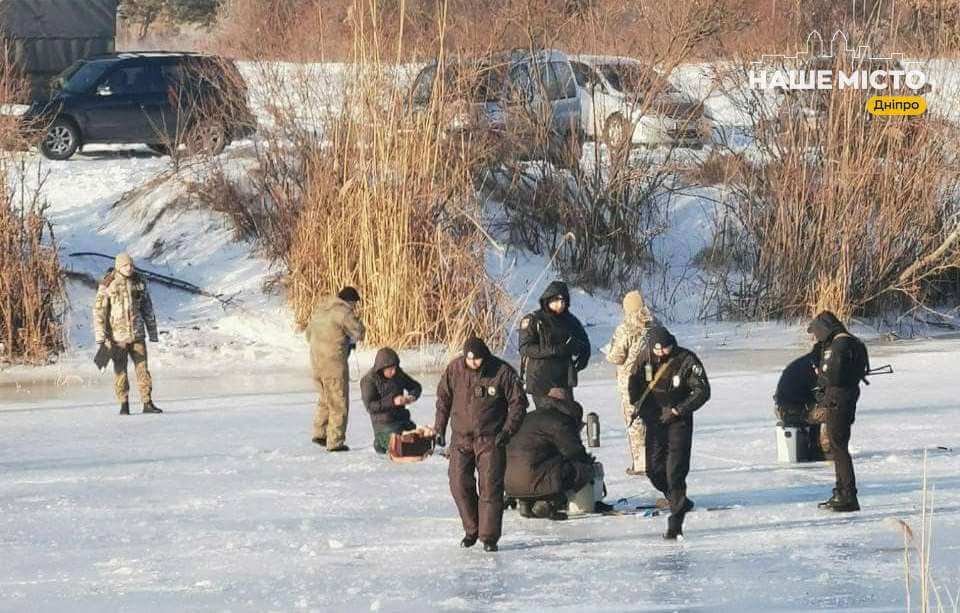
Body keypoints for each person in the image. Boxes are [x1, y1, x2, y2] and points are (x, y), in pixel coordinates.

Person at [434, 336, 527, 552]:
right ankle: (472, 530)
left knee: (490, 488)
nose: (473, 363)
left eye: (477, 359)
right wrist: (439, 428)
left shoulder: (502, 371)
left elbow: (519, 403)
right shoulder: (455, 369)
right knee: (458, 483)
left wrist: (507, 431)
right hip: (461, 438)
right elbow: (443, 399)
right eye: (469, 359)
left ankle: (489, 537)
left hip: (491, 438)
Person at [629, 326, 710, 540]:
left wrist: (678, 410)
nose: (662, 353)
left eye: (665, 349)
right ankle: (677, 498)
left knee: (675, 469)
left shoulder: (686, 359)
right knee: (653, 469)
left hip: (678, 421)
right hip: (654, 420)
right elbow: (634, 387)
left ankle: (676, 518)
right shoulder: (644, 359)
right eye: (658, 350)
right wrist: (644, 409)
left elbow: (703, 390)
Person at [505, 387, 608, 519]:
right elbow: (575, 452)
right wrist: (589, 463)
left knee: (540, 463)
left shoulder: (529, 417)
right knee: (582, 469)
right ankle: (551, 502)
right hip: (533, 479)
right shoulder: (560, 421)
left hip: (510, 483)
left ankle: (526, 502)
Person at [808, 311, 868, 513]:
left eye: (816, 334)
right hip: (847, 396)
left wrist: (821, 382)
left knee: (839, 448)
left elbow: (832, 376)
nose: (816, 338)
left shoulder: (839, 346)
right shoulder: (853, 342)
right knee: (837, 446)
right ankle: (841, 492)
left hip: (838, 400)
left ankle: (847, 495)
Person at [93, 252, 162, 415]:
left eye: (131, 265)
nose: (129, 268)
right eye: (125, 266)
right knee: (120, 371)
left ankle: (147, 402)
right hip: (118, 338)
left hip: (137, 334)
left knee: (143, 369)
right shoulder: (108, 284)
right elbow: (98, 312)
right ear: (118, 267)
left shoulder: (139, 282)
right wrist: (100, 336)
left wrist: (152, 332)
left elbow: (147, 308)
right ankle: (124, 403)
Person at [303, 287, 365, 452]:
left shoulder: (320, 310)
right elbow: (358, 332)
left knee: (325, 398)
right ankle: (335, 442)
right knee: (338, 401)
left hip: (316, 363)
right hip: (333, 364)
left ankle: (320, 433)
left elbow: (308, 335)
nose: (354, 308)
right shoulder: (343, 312)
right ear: (350, 301)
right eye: (354, 304)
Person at [607, 290, 659, 476]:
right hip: (654, 379)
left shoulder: (625, 328)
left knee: (634, 421)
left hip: (630, 381)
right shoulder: (655, 325)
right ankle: (656, 459)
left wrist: (608, 351)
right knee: (653, 420)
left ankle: (641, 463)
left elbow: (617, 357)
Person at [518, 281, 590, 408]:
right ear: (548, 300)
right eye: (556, 300)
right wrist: (554, 350)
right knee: (549, 419)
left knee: (567, 416)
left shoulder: (571, 321)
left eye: (563, 301)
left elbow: (585, 344)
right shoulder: (534, 319)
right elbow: (525, 348)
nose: (560, 305)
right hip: (541, 378)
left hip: (563, 378)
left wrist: (580, 357)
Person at [360, 347, 423, 454]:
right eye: (390, 369)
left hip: (402, 419)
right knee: (401, 447)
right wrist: (393, 402)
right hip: (384, 424)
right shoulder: (368, 380)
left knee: (419, 441)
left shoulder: (398, 373)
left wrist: (412, 396)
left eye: (395, 368)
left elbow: (415, 386)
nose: (393, 372)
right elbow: (370, 406)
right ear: (382, 368)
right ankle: (379, 442)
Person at [774, 349, 829, 460]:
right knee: (831, 412)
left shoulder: (805, 362)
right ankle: (826, 448)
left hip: (786, 409)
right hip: (790, 412)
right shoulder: (813, 369)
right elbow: (821, 397)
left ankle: (815, 447)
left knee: (819, 410)